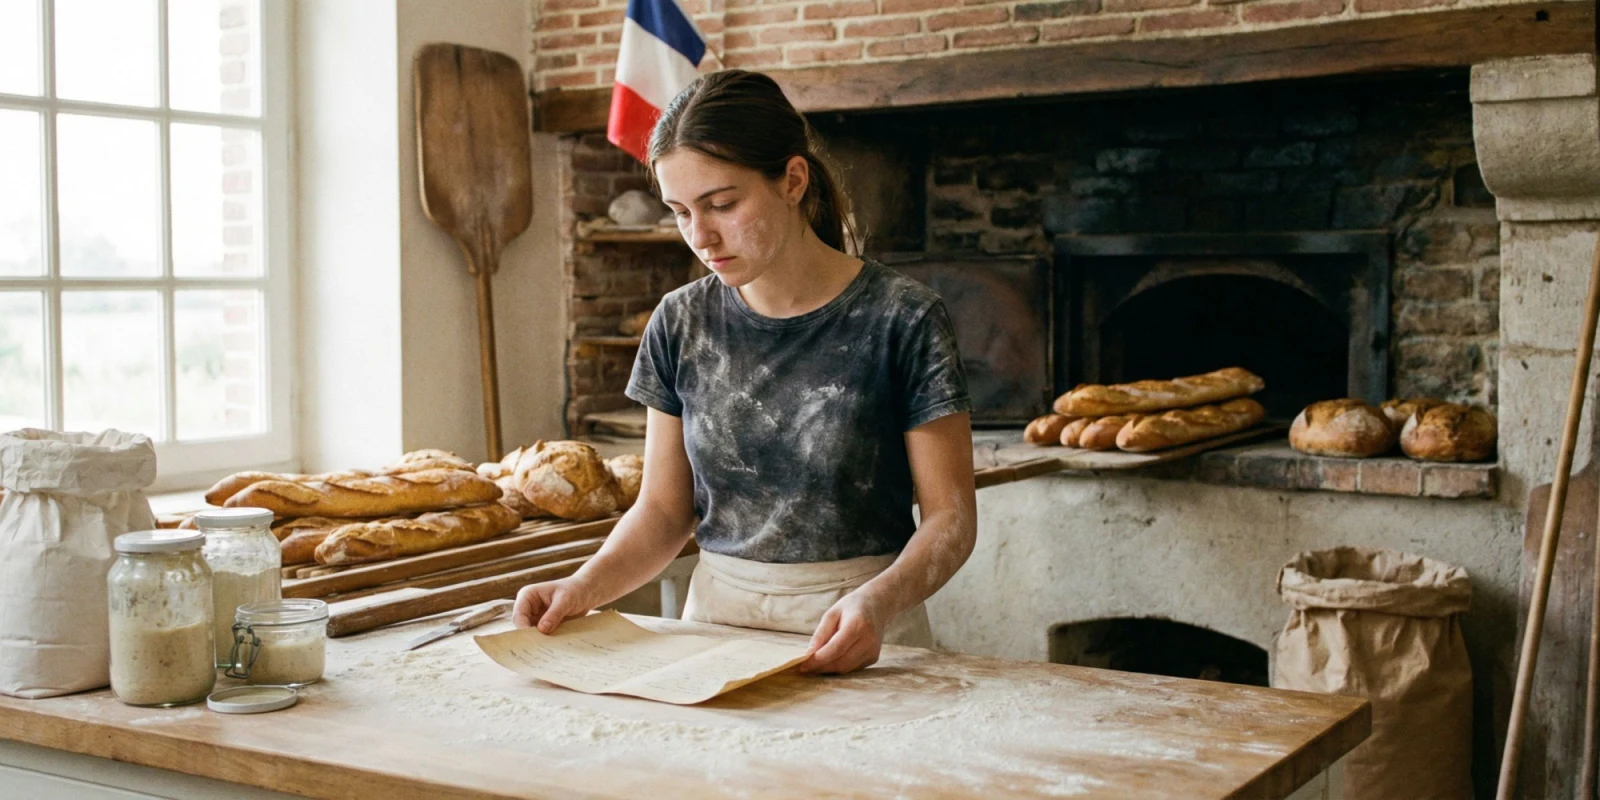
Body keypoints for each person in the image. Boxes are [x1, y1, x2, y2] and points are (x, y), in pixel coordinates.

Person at [512, 70, 977, 675]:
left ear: (792, 180)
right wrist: (583, 587)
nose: (701, 236)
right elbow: (662, 511)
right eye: (680, 212)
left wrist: (878, 601)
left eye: (722, 205)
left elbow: (952, 518)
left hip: (862, 628)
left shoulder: (903, 318)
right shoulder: (680, 321)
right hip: (715, 628)